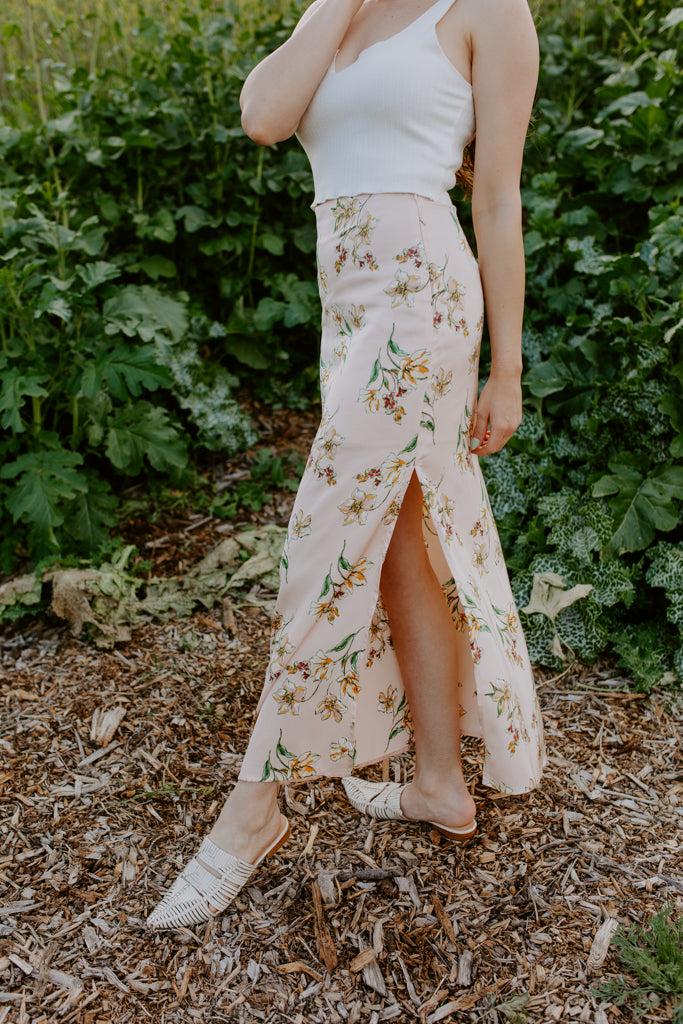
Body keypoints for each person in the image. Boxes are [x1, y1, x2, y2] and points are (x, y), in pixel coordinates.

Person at [147, 0, 546, 932]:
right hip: (350, 304)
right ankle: (441, 783)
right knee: (400, 537)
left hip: (419, 303)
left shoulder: (490, 10)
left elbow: (495, 196)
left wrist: (509, 367)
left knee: (322, 539)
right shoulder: (337, 10)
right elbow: (263, 115)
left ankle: (255, 807)